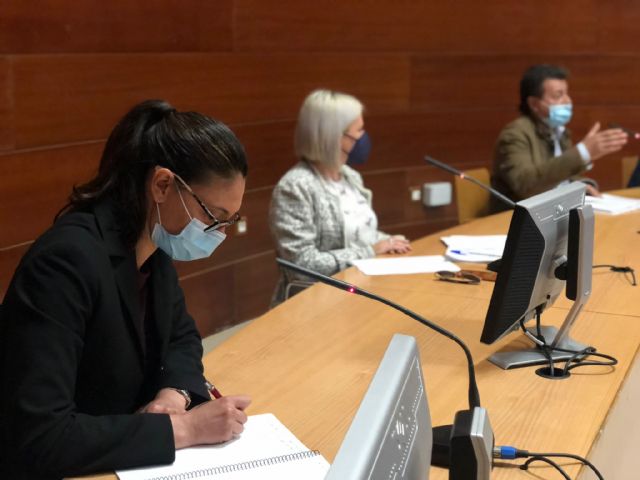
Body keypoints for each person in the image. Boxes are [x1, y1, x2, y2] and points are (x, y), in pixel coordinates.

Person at [0, 100, 251, 479]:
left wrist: (175, 395)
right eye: (213, 217)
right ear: (162, 185)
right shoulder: (65, 262)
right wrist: (183, 429)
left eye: (230, 221)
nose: (219, 234)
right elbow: (40, 435)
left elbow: (181, 338)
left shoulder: (153, 246)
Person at [269, 89, 411, 305]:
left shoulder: (350, 176)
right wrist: (370, 250)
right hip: (314, 304)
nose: (363, 138)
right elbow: (302, 265)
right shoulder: (295, 187)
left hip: (359, 291)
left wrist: (388, 241)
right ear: (333, 136)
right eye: (359, 130)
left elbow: (361, 233)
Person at [490, 64, 628, 212]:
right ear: (534, 104)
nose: (567, 100)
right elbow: (526, 185)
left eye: (566, 94)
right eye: (558, 96)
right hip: (517, 218)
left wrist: (583, 186)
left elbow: (562, 177)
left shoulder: (560, 132)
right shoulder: (515, 135)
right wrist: (582, 153)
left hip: (555, 211)